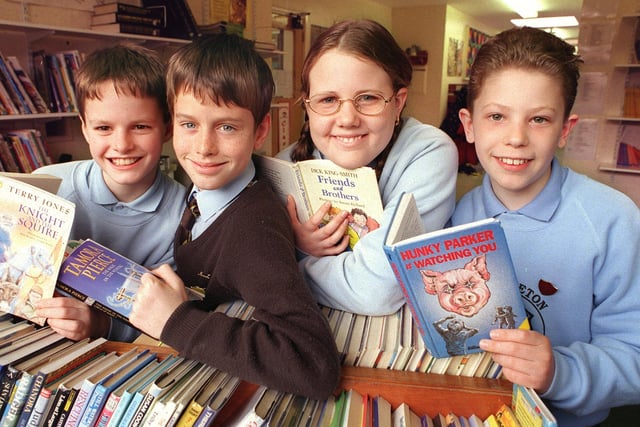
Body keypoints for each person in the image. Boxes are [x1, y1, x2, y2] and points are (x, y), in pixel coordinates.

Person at [128, 34, 340, 400]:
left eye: (226, 127)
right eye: (189, 124)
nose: (204, 147)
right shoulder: (204, 184)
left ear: (259, 132)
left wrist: (177, 321)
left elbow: (314, 365)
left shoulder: (252, 232)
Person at [452, 26, 640, 426]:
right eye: (497, 116)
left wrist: (559, 371)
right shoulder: (456, 215)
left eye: (538, 119)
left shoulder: (613, 219)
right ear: (469, 125)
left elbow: (635, 356)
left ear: (564, 130)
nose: (516, 138)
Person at [276, 19, 458, 315]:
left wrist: (290, 261)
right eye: (328, 99)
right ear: (308, 106)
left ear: (398, 103)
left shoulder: (430, 152)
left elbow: (375, 290)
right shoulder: (286, 166)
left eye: (368, 98)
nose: (347, 119)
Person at [33, 44, 186, 342]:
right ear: (85, 130)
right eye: (103, 127)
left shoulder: (183, 215)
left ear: (167, 128)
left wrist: (100, 325)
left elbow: (165, 317)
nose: (122, 144)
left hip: (114, 356)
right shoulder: (47, 186)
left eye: (140, 126)